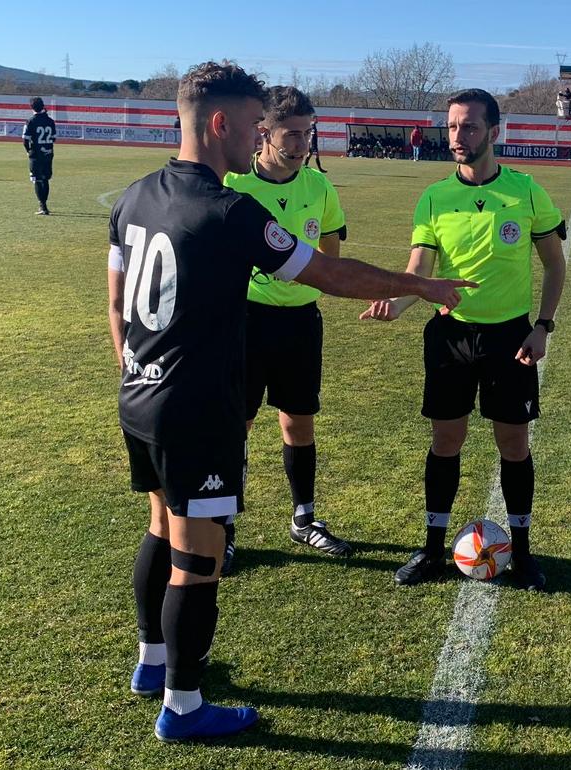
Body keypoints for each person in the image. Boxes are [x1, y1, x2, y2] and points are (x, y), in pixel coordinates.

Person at [109, 60, 472, 744]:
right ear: (219, 123)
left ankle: (152, 664)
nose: (259, 138)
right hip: (197, 409)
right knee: (200, 556)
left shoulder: (136, 196)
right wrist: (418, 286)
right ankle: (184, 706)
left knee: (160, 527)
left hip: (141, 396)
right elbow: (329, 271)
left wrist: (135, 375)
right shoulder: (228, 208)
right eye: (252, 125)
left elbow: (116, 301)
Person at [360, 88, 567, 591]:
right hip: (449, 337)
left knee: (513, 443)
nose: (458, 136)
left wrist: (543, 327)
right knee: (445, 441)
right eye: (452, 127)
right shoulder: (435, 197)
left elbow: (555, 264)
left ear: (494, 132)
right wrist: (398, 303)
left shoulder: (526, 191)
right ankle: (432, 549)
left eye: (469, 126)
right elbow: (419, 271)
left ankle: (521, 552)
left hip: (510, 338)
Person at [220, 85, 354, 573]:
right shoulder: (235, 184)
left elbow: (331, 261)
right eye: (291, 134)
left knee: (298, 420)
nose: (301, 144)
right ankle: (225, 527)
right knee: (239, 425)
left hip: (301, 321)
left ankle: (304, 519)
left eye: (307, 133)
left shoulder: (319, 187)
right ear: (265, 133)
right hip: (246, 321)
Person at [22, 97, 56, 215]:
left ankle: (42, 206)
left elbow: (25, 141)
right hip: (48, 154)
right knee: (45, 179)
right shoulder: (50, 121)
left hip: (36, 155)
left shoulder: (31, 121)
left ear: (32, 107)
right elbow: (53, 138)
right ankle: (44, 205)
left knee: (37, 180)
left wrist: (28, 151)